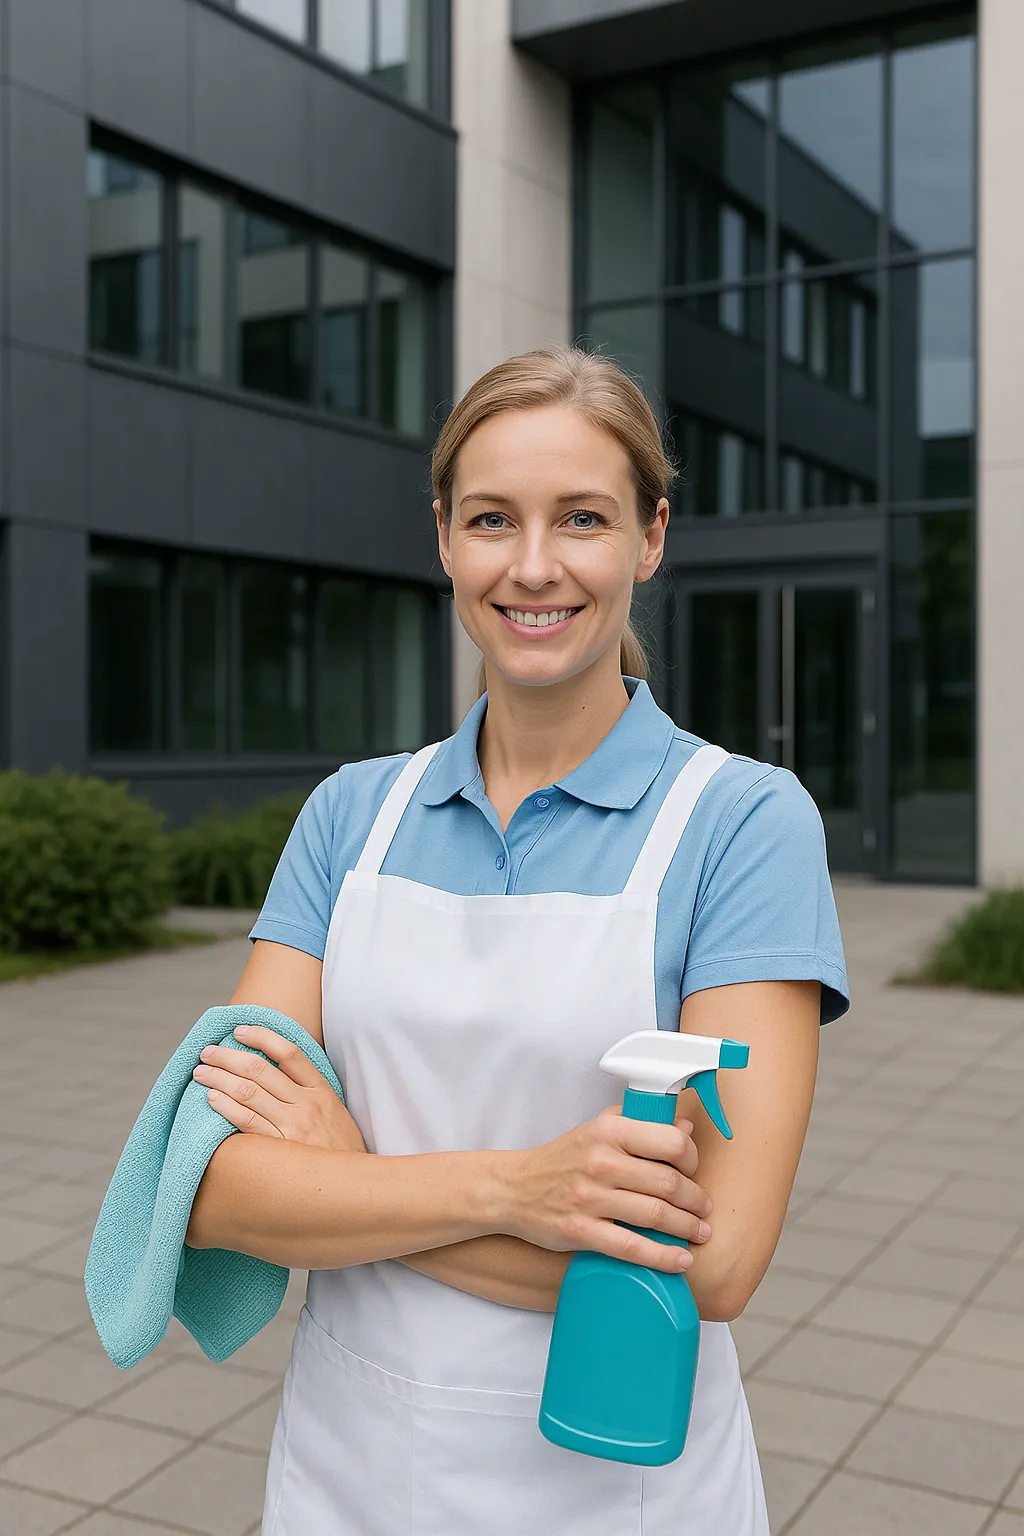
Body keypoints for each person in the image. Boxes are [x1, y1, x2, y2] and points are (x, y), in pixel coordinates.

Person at [185, 346, 849, 1534]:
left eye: (582, 519)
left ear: (649, 537)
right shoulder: (353, 815)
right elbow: (216, 1187)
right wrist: (517, 1189)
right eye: (492, 519)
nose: (533, 566)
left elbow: (712, 1272)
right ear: (443, 538)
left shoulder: (742, 824)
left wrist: (348, 1181)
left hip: (619, 1487)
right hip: (349, 1473)